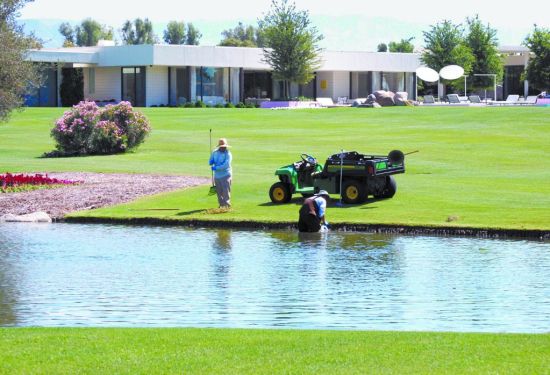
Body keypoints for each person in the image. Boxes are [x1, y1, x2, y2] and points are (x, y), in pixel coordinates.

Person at [209, 138, 233, 208]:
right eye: (222, 147)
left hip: (226, 175)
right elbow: (211, 160)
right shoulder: (215, 152)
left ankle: (227, 205)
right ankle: (221, 205)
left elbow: (226, 165)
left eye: (225, 146)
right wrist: (211, 161)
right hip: (217, 175)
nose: (223, 148)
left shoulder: (228, 154)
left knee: (226, 191)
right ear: (219, 147)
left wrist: (216, 168)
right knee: (219, 192)